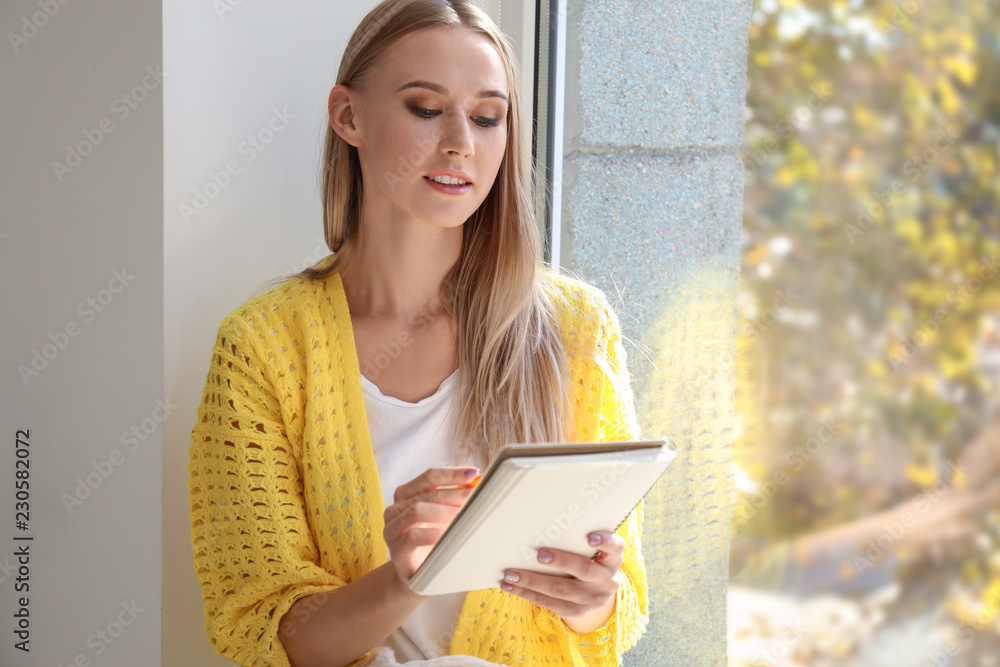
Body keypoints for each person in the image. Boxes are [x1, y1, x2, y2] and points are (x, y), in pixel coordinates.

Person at [186, 2, 650, 666]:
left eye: (488, 117)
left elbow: (623, 606)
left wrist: (592, 598)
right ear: (349, 116)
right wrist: (406, 578)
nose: (461, 141)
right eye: (426, 109)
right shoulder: (264, 347)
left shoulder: (574, 327)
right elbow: (265, 633)